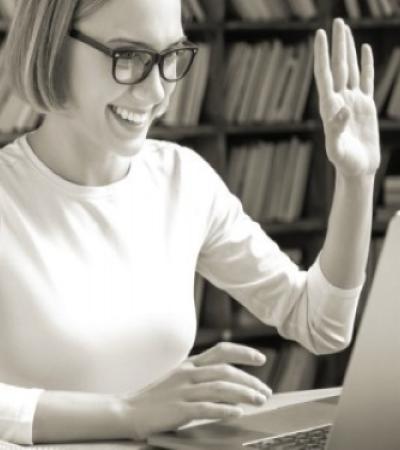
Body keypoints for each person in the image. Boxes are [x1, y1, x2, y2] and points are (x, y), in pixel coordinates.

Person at [0, 0, 380, 446]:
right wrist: (127, 414)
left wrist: (357, 179)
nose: (158, 92)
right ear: (52, 45)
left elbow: (320, 324)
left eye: (170, 57)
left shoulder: (183, 179)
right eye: (130, 56)